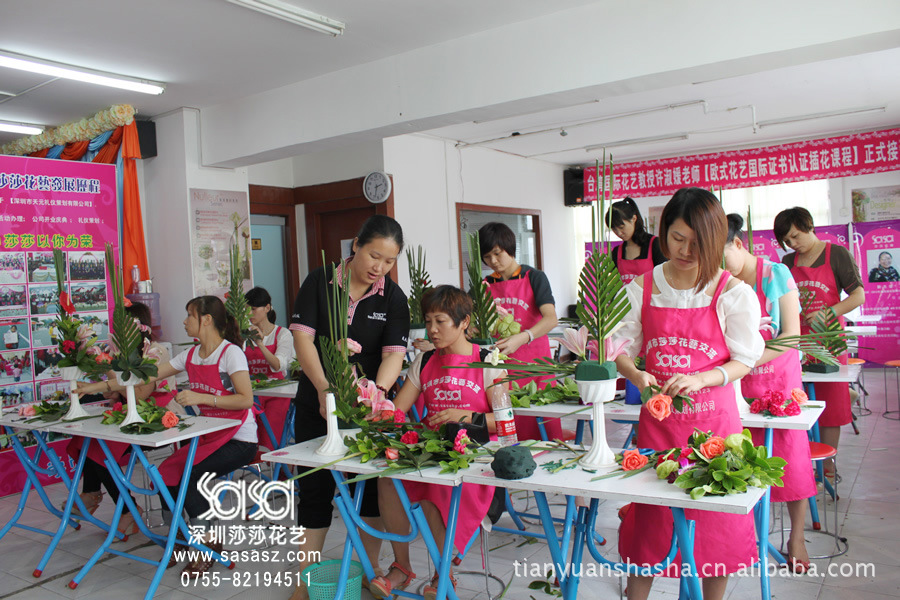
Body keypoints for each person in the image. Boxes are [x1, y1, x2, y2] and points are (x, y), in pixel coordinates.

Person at [612, 188, 764, 600]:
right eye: (678, 238)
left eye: (698, 243)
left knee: (713, 529)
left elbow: (746, 359)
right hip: (658, 426)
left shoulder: (731, 292)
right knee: (650, 523)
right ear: (663, 232)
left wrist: (703, 379)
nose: (685, 250)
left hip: (715, 428)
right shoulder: (642, 287)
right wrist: (637, 375)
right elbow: (619, 348)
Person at [78, 296, 256, 576]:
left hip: (239, 439)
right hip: (208, 436)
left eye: (190, 315)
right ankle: (180, 537)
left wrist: (203, 398)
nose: (184, 321)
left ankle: (207, 543)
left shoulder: (231, 353)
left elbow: (246, 400)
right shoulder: (190, 355)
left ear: (206, 320)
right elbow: (142, 377)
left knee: (190, 473)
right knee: (166, 472)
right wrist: (96, 387)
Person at [289, 215, 410, 600]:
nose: (379, 267)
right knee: (314, 489)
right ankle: (304, 581)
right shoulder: (319, 281)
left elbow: (394, 353)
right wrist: (327, 393)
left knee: (369, 489)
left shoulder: (392, 297)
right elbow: (303, 342)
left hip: (367, 409)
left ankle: (363, 569)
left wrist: (378, 393)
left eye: (389, 261)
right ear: (355, 244)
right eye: (374, 255)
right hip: (316, 403)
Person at [369, 286, 504, 600]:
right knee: (387, 480)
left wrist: (466, 416)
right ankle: (402, 567)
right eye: (428, 321)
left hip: (474, 456)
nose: (432, 329)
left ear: (463, 322)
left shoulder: (488, 361)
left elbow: (506, 422)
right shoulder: (425, 360)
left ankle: (444, 574)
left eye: (440, 321)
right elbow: (397, 410)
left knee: (434, 488)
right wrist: (374, 408)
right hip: (433, 449)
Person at [724, 213, 816, 572]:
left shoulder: (774, 275)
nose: (719, 269)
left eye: (722, 259)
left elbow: (790, 336)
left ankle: (796, 537)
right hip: (739, 383)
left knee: (791, 461)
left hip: (777, 379)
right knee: (739, 459)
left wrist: (747, 360)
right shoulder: (723, 283)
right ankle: (746, 532)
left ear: (738, 244)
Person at [67, 302, 178, 536]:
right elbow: (114, 393)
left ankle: (124, 508)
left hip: (158, 417)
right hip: (128, 415)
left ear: (137, 325)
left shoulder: (156, 351)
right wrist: (101, 383)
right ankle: (97, 494)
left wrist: (107, 369)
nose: (116, 331)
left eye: (121, 326)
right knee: (87, 439)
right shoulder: (120, 351)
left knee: (101, 447)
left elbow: (140, 394)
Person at [774, 207, 864, 473]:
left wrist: (828, 312)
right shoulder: (788, 263)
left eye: (795, 236)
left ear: (809, 225)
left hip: (828, 341)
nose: (793, 244)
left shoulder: (837, 255)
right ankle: (803, 461)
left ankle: (827, 467)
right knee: (798, 400)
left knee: (832, 406)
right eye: (787, 241)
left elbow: (858, 296)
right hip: (796, 341)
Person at [478, 222, 560, 441]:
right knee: (510, 430)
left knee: (544, 432)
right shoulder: (484, 285)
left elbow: (551, 319)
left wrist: (523, 337)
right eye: (487, 257)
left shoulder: (534, 277)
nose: (493, 262)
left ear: (510, 248)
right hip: (501, 370)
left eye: (497, 253)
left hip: (535, 366)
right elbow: (472, 325)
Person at [244, 286, 294, 451]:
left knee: (271, 441)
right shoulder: (244, 336)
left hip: (276, 395)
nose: (249, 313)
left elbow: (278, 365)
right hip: (251, 395)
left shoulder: (282, 334)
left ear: (267, 308)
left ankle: (279, 472)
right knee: (248, 442)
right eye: (246, 309)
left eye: (253, 308)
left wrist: (260, 343)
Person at [606, 197, 666, 284]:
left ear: (634, 219)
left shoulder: (654, 244)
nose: (619, 233)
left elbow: (665, 280)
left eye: (621, 227)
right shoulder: (616, 252)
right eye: (614, 229)